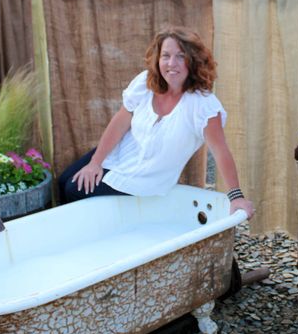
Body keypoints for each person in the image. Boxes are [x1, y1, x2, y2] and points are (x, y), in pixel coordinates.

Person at [58, 27, 255, 219]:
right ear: (157, 59)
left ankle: (95, 237)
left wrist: (236, 197)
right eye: (166, 55)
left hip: (144, 177)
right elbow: (120, 123)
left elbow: (221, 152)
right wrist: (95, 163)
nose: (172, 63)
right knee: (63, 181)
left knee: (74, 190)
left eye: (180, 56)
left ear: (193, 61)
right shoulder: (146, 83)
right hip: (121, 154)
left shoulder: (203, 106)